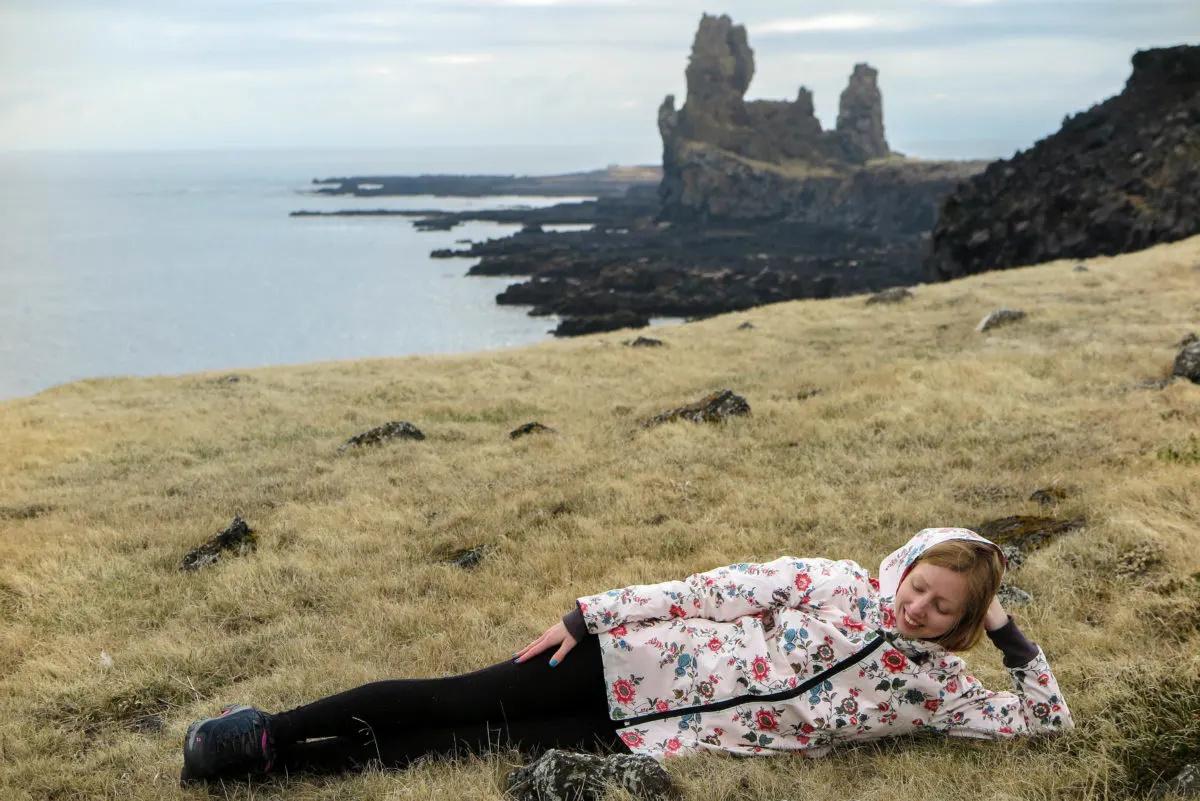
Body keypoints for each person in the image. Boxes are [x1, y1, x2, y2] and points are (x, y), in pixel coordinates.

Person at [180, 527, 1073, 783]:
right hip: (631, 660)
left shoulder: (938, 688)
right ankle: (264, 731)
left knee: (464, 752)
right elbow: (712, 586)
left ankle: (278, 775)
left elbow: (1047, 721)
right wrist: (591, 612)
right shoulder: (834, 581)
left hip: (655, 739)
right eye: (919, 583)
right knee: (462, 700)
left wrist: (1009, 638)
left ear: (964, 620)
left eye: (943, 606)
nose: (916, 605)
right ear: (905, 564)